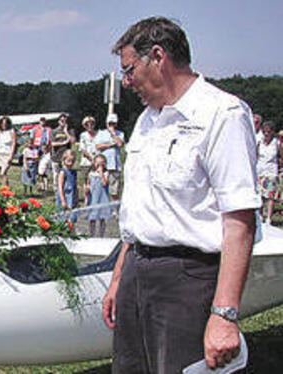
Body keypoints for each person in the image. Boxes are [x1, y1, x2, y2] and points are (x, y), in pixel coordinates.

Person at [103, 17, 260, 373]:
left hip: (188, 281)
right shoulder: (147, 120)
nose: (126, 83)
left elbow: (239, 222)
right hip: (136, 272)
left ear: (157, 56)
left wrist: (224, 315)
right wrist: (118, 279)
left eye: (129, 70)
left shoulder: (222, 114)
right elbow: (141, 209)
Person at [94, 113, 126, 201]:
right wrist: (110, 144)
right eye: (110, 123)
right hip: (103, 166)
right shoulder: (101, 133)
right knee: (102, 188)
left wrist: (113, 134)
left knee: (114, 191)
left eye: (113, 123)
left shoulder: (120, 134)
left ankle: (115, 209)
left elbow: (120, 144)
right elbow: (97, 146)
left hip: (115, 166)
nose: (112, 125)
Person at [256, 121, 278, 224]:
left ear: (272, 132)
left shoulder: (276, 143)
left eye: (268, 132)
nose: (266, 134)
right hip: (260, 171)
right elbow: (256, 156)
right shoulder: (259, 142)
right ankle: (260, 215)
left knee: (269, 196)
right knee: (260, 195)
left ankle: (269, 217)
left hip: (271, 172)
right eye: (264, 132)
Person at [86, 154, 110, 237]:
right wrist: (86, 192)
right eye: (98, 163)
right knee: (92, 218)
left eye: (102, 163)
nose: (100, 165)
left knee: (102, 218)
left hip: (102, 198)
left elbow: (104, 183)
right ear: (94, 163)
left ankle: (101, 235)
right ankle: (91, 234)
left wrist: (101, 173)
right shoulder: (91, 173)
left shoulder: (106, 173)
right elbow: (88, 184)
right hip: (93, 198)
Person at [50, 113, 75, 189]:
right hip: (56, 157)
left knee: (66, 174)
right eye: (61, 120)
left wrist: (66, 131)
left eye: (65, 120)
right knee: (56, 175)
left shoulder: (70, 131)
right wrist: (63, 143)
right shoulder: (54, 131)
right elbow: (52, 143)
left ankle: (66, 190)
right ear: (58, 121)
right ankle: (57, 191)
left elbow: (73, 141)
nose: (63, 122)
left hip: (66, 158)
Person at [78, 116, 98, 206]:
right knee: (86, 181)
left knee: (95, 180)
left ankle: (95, 198)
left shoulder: (98, 134)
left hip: (97, 161)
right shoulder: (83, 135)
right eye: (87, 124)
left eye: (91, 124)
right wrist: (91, 159)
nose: (90, 126)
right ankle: (87, 198)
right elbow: (82, 150)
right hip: (86, 162)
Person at [56, 149, 78, 224]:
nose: (71, 162)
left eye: (72, 161)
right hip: (65, 195)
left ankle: (70, 228)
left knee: (72, 216)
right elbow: (60, 186)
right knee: (62, 216)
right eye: (69, 160)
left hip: (72, 196)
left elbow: (75, 185)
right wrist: (62, 200)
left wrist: (76, 198)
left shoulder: (73, 172)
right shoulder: (62, 172)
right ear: (64, 160)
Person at [0, 116, 16, 186]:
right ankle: (3, 188)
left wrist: (11, 156)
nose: (4, 125)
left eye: (5, 124)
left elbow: (13, 143)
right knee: (0, 174)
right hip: (0, 153)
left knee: (3, 173)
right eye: (3, 124)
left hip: (7, 154)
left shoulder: (11, 131)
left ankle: (6, 192)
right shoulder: (0, 132)